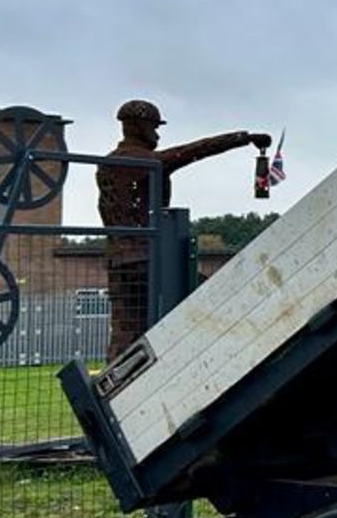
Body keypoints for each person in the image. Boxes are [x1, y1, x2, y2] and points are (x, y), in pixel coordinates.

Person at [98, 100, 271, 361]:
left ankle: (111, 392)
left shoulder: (106, 164)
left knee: (125, 332)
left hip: (118, 260)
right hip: (147, 258)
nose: (156, 134)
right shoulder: (145, 162)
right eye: (153, 127)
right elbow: (193, 151)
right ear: (137, 127)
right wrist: (242, 139)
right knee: (211, 294)